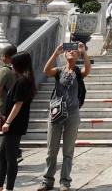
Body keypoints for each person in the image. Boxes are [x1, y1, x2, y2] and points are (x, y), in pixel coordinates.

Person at [39, 41, 90, 191]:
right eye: (69, 51)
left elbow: (88, 69)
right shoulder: (59, 70)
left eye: (74, 51)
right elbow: (46, 71)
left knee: (68, 150)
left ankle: (65, 182)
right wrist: (55, 53)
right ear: (65, 54)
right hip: (56, 113)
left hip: (72, 113)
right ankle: (47, 180)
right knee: (51, 150)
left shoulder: (79, 72)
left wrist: (84, 52)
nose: (72, 52)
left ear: (78, 55)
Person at [0, 53, 35, 191]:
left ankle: (9, 187)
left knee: (11, 156)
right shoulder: (22, 80)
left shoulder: (23, 81)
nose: (11, 66)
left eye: (13, 63)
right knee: (2, 154)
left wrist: (8, 122)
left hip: (15, 123)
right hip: (13, 122)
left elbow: (18, 104)